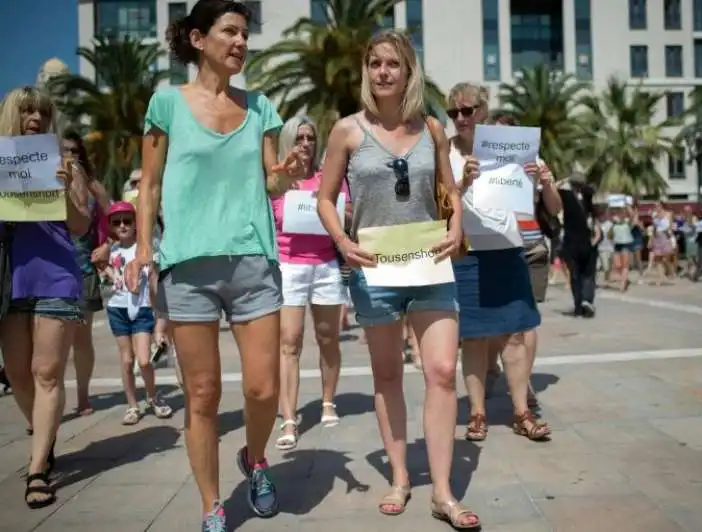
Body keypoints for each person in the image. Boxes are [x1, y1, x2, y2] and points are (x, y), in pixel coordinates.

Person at [125, 2, 304, 530]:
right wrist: (142, 249)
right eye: (230, 32)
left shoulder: (261, 108)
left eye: (245, 34)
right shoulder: (166, 105)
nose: (240, 42)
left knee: (263, 389)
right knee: (202, 394)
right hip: (187, 264)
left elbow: (270, 181)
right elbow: (150, 186)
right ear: (199, 39)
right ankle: (211, 505)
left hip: (253, 262)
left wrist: (287, 175)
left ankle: (254, 458)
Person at [316, 30, 480, 529]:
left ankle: (444, 492)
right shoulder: (346, 131)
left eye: (392, 64)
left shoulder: (431, 128)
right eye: (374, 63)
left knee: (442, 372)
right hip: (374, 270)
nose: (382, 72)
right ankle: (401, 478)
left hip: (430, 263)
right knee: (387, 375)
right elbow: (324, 199)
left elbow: (448, 191)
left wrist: (456, 228)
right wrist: (343, 244)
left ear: (409, 72)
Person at [447, 85, 557, 445]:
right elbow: (437, 209)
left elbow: (553, 208)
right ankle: (477, 413)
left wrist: (544, 181)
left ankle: (521, 411)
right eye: (454, 113)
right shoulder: (443, 154)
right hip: (467, 253)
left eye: (468, 110)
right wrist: (461, 184)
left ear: (483, 110)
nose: (461, 118)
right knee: (474, 338)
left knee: (514, 334)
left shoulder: (512, 148)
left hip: (508, 249)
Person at [0, 86, 92, 509]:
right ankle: (46, 434)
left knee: (46, 372)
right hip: (10, 280)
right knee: (17, 373)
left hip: (55, 274)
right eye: (27, 111)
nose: (35, 118)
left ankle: (38, 469)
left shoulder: (65, 162)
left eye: (42, 112)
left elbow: (79, 226)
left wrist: (62, 190)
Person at [270, 116, 347, 451]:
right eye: (299, 137)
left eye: (310, 137)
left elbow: (344, 212)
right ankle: (289, 418)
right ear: (289, 141)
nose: (305, 143)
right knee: (289, 342)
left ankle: (328, 401)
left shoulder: (328, 177)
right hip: (289, 267)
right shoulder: (277, 180)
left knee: (328, 338)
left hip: (326, 266)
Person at [100, 201, 173, 424]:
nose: (122, 225)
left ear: (136, 224)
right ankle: (132, 406)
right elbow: (105, 272)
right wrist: (108, 271)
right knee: (125, 361)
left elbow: (154, 281)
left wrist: (159, 316)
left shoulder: (144, 248)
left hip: (142, 308)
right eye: (116, 222)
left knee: (143, 361)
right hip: (117, 308)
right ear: (111, 226)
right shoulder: (109, 250)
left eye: (127, 221)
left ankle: (153, 398)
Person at [62, 129, 111, 416]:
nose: (70, 156)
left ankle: (82, 396)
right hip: (48, 267)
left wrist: (106, 246)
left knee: (81, 339)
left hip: (83, 268)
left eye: (75, 151)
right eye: (64, 150)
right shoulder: (45, 182)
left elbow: (117, 216)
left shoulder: (93, 186)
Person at [558, 172, 598, 317]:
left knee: (579, 275)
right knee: (584, 274)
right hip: (581, 241)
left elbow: (553, 187)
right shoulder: (576, 196)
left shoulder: (570, 195)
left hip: (577, 242)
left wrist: (565, 179)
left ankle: (582, 303)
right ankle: (583, 302)